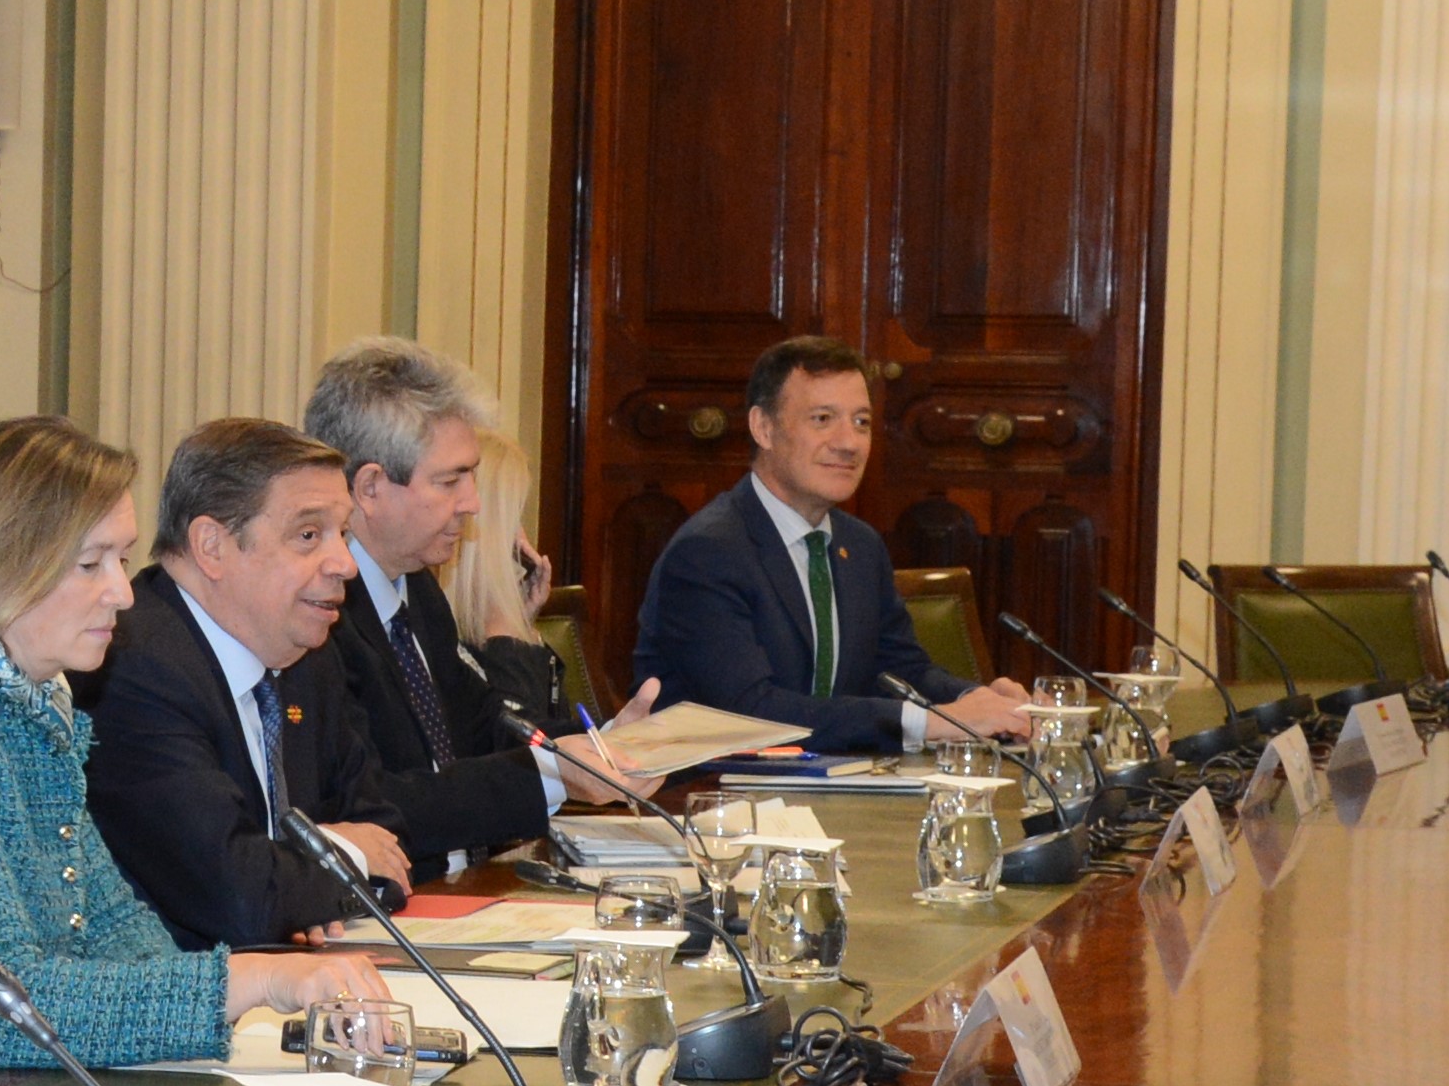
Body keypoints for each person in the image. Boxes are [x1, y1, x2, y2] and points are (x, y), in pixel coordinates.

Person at [0, 417, 383, 1066]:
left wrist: (242, 996)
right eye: (91, 563)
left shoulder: (29, 705)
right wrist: (252, 979)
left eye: (121, 558)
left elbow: (114, 925)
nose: (121, 592)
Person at [299, 339, 661, 870]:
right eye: (451, 481)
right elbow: (372, 799)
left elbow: (487, 726)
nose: (472, 503)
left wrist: (604, 747)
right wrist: (555, 774)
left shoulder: (415, 590)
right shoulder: (319, 613)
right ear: (371, 488)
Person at [82, 418, 413, 949]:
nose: (345, 565)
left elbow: (386, 846)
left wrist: (306, 882)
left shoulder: (308, 654)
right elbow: (239, 898)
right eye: (309, 535)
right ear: (211, 546)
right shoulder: (133, 667)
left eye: (343, 534)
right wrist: (338, 860)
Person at [631, 336, 1031, 751]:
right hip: (714, 798)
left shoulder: (859, 544)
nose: (849, 442)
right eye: (823, 419)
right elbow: (750, 713)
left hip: (834, 788)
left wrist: (975, 701)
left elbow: (899, 669)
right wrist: (928, 723)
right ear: (763, 428)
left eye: (861, 422)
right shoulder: (708, 553)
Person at [444, 430, 579, 736]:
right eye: (516, 516)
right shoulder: (477, 647)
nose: (522, 536)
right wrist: (506, 634)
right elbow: (531, 749)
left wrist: (522, 622)